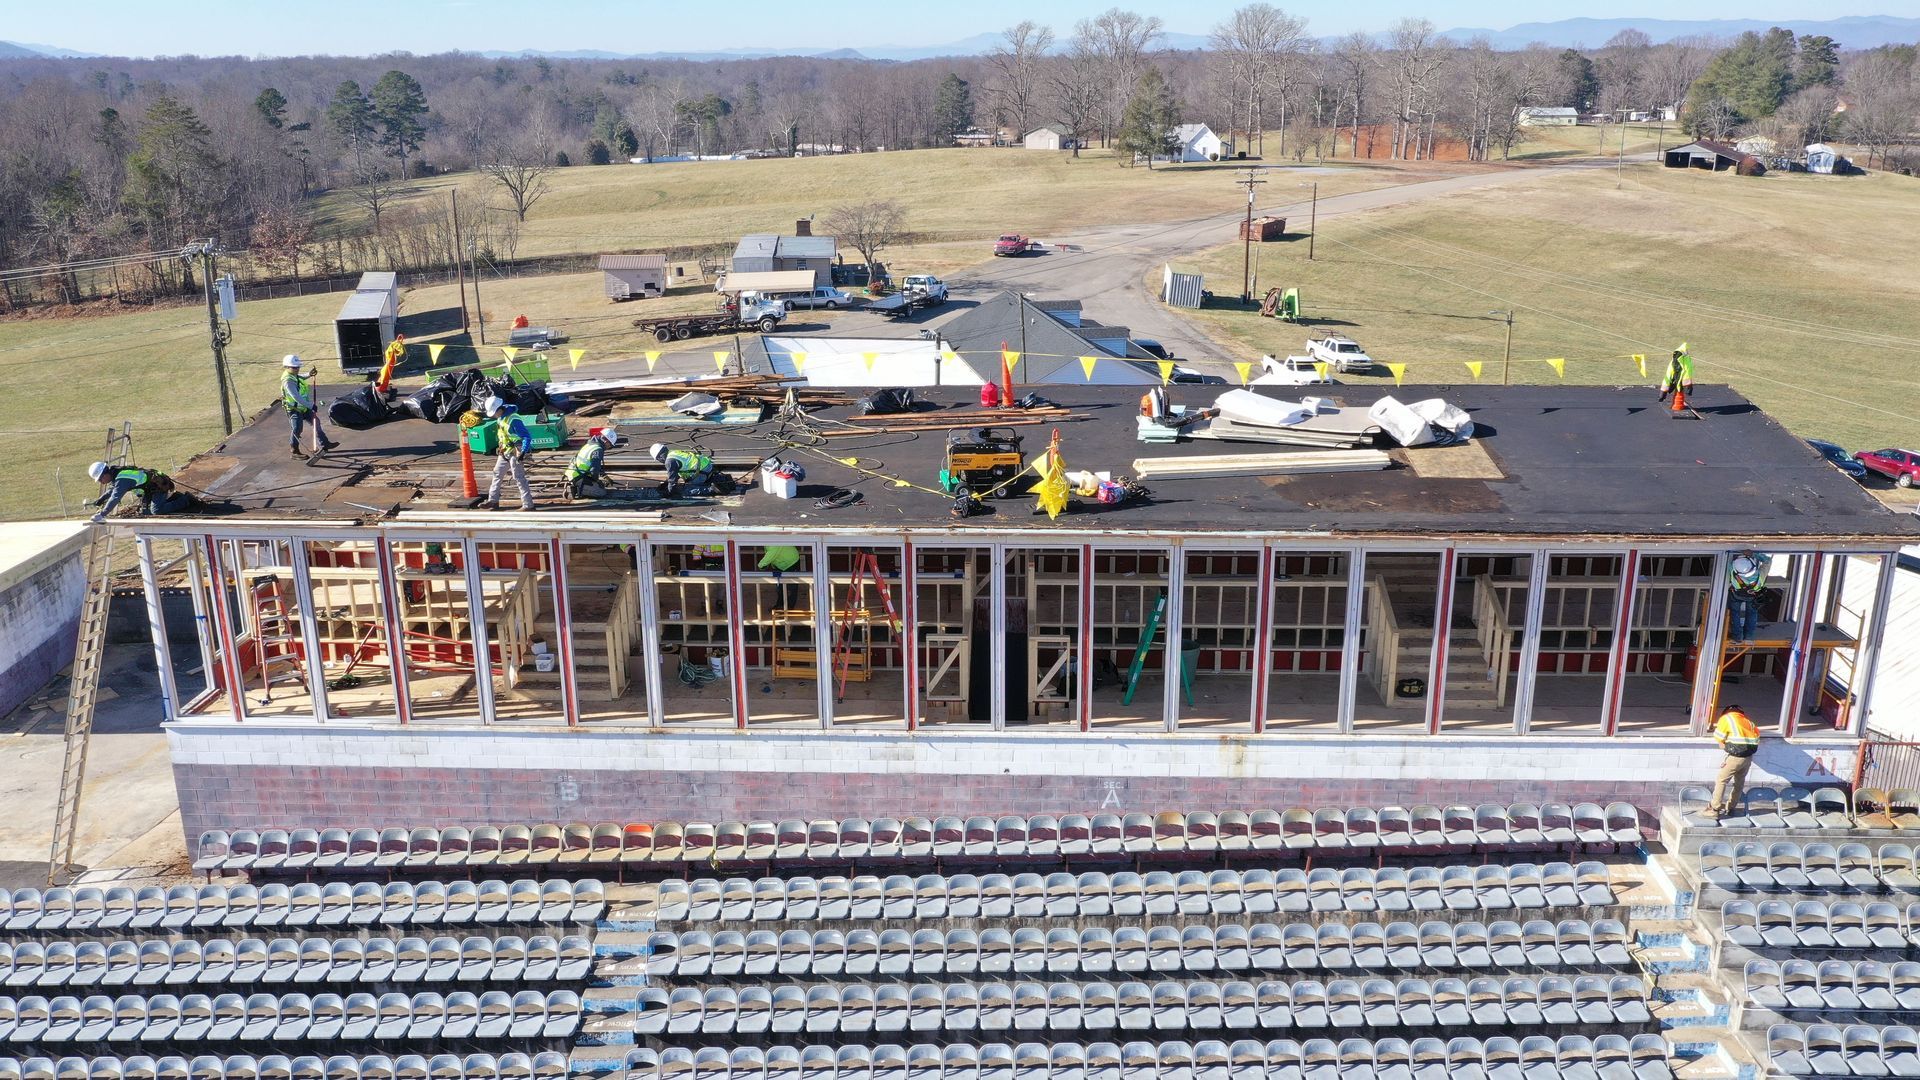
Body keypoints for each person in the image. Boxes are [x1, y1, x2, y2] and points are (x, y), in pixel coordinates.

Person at [1708, 703, 1761, 820]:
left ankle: (1714, 809)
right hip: (1748, 758)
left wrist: (1725, 748)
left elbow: (1718, 737)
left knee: (1721, 780)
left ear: (1727, 712)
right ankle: (1731, 807)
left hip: (1734, 758)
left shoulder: (1727, 718)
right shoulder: (1749, 722)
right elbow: (1757, 738)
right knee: (1739, 783)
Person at [87, 461, 193, 520]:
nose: (101, 482)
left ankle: (186, 500)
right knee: (146, 512)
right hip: (149, 489)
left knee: (156, 511)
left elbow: (115, 497)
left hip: (159, 486)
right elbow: (112, 490)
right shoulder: (116, 474)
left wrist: (102, 514)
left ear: (105, 474)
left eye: (100, 479)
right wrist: (101, 499)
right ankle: (173, 500)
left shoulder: (121, 479)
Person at [483, 395, 535, 512]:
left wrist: (523, 452)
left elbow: (526, 437)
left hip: (516, 452)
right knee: (497, 473)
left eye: (494, 413)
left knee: (519, 477)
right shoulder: (500, 418)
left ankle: (528, 505)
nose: (493, 415)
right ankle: (493, 501)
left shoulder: (514, 420)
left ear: (499, 409)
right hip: (505, 451)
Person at [281, 355, 338, 458]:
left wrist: (309, 374)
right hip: (294, 409)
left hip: (304, 407)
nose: (297, 369)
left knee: (316, 422)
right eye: (294, 367)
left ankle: (325, 443)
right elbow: (296, 397)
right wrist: (311, 405)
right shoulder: (288, 381)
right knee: (297, 429)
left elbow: (300, 377)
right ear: (287, 367)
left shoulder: (293, 375)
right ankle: (294, 451)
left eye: (298, 367)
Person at [566, 428, 621, 499]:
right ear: (606, 441)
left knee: (599, 484)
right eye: (610, 445)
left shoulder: (590, 444)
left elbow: (594, 465)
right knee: (601, 492)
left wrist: (605, 476)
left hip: (575, 473)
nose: (609, 447)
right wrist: (596, 481)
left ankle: (577, 485)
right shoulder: (597, 450)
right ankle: (576, 489)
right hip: (578, 476)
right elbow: (594, 470)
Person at [1727, 550, 1769, 643]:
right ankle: (1749, 637)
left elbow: (1729, 564)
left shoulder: (1733, 572)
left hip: (1737, 595)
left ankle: (1737, 637)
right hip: (1753, 596)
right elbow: (1767, 561)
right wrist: (1753, 554)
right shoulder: (1760, 575)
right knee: (1752, 614)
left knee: (1735, 613)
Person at [1657, 345, 1694, 414]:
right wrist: (1688, 385)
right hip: (1678, 380)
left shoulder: (1676, 361)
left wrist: (1663, 392)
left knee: (1676, 388)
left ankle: (1675, 403)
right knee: (1677, 389)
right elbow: (1687, 372)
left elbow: (1668, 374)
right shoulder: (1686, 360)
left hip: (1677, 379)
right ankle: (1676, 405)